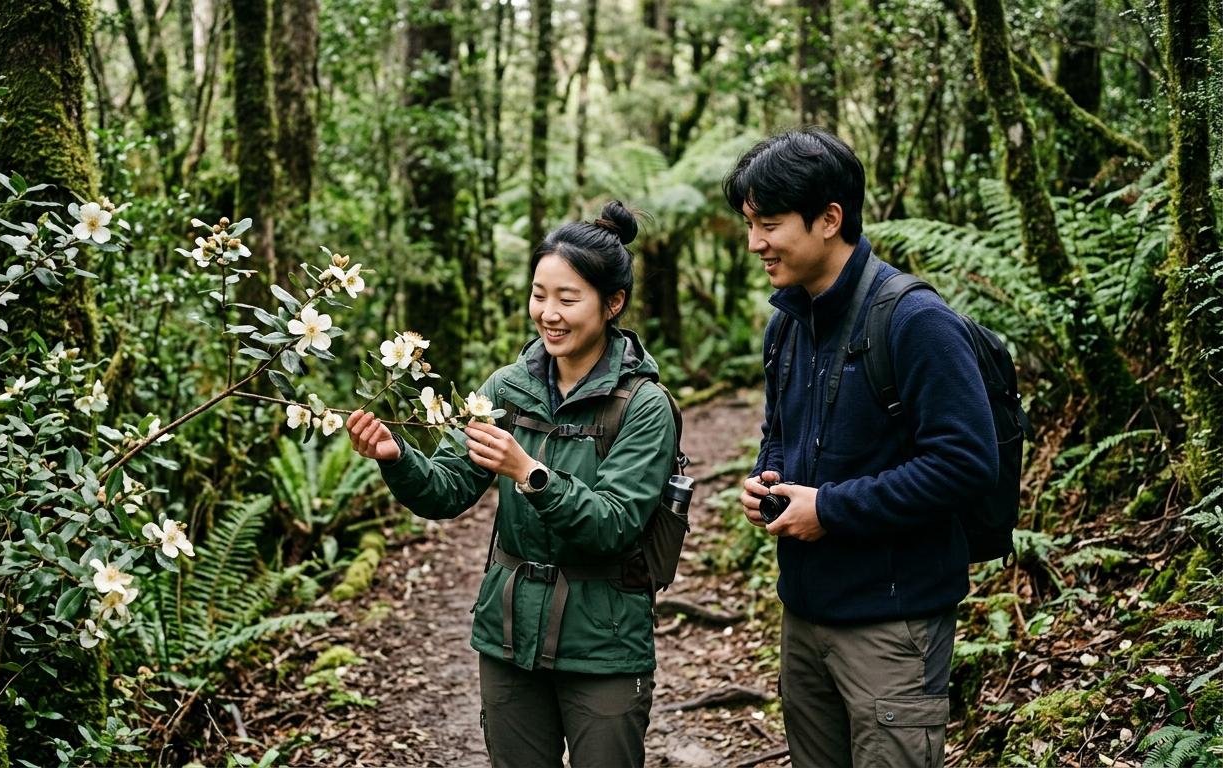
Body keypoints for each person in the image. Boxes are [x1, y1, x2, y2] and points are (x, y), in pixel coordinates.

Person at [345, 201, 677, 768]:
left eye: (568, 299)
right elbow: (450, 489)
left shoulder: (646, 406)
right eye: (539, 295)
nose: (548, 313)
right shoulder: (506, 388)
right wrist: (397, 457)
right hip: (508, 638)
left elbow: (615, 525)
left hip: (605, 646)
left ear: (612, 303)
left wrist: (531, 473)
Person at [724, 128, 998, 767]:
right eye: (749, 223)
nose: (755, 243)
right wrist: (769, 481)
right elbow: (781, 435)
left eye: (769, 223)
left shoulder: (914, 320)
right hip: (804, 616)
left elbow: (966, 463)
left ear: (829, 219)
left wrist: (830, 509)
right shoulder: (787, 322)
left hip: (892, 627)